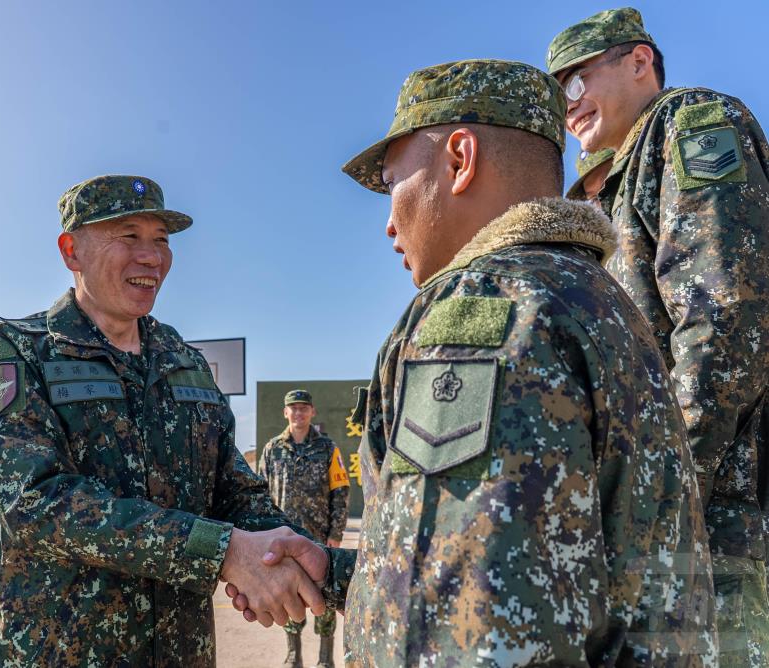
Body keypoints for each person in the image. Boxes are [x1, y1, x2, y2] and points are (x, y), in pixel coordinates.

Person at [232, 59, 719, 665]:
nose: (388, 223)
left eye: (391, 184)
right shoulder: (602, 304)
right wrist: (338, 573)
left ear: (459, 160)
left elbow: (464, 626)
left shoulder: (482, 313)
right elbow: (546, 568)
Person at [0, 174, 329, 666]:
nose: (152, 257)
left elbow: (233, 489)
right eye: (128, 236)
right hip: (57, 652)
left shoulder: (185, 360)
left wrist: (285, 552)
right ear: (71, 251)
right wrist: (221, 550)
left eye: (161, 240)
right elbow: (36, 502)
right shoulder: (17, 350)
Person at [547, 8, 769, 664]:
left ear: (638, 61)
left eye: (577, 83)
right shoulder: (608, 188)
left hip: (714, 531)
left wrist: (658, 496)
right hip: (659, 533)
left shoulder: (692, 125)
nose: (570, 109)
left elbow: (727, 326)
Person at [259, 389, 350, 668]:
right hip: (284, 539)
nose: (298, 413)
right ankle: (293, 654)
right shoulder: (272, 448)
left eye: (304, 408)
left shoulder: (328, 448)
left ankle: (325, 658)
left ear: (313, 412)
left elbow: (340, 491)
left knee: (326, 600)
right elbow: (260, 492)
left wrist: (335, 534)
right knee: (289, 595)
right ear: (285, 412)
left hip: (319, 539)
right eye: (293, 408)